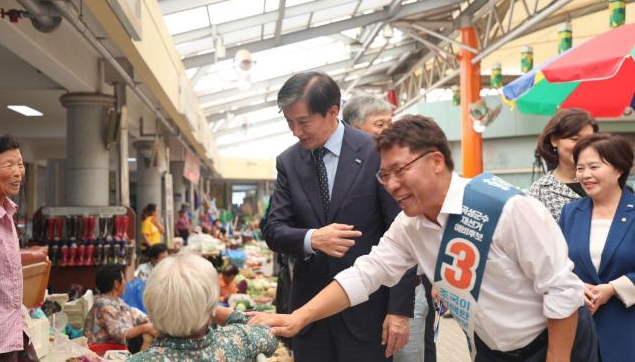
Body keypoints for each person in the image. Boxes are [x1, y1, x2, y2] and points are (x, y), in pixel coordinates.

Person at [252, 115, 598, 362]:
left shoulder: (507, 208)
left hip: (557, 346)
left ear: (436, 161)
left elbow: (562, 291)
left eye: (400, 171)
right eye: (384, 174)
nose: (390, 185)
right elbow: (365, 274)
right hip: (492, 350)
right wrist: (299, 318)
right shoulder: (410, 225)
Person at [264, 72, 416, 361]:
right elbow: (273, 229)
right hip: (309, 315)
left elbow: (403, 234)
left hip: (368, 313)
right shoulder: (288, 161)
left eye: (303, 121)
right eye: (290, 123)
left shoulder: (375, 152)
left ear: (333, 111)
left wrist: (398, 310)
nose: (296, 131)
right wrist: (312, 238)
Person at [343, 96, 433, 362]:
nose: (388, 132)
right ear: (354, 130)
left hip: (405, 293)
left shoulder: (397, 171)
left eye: (390, 123)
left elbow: (407, 238)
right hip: (368, 293)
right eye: (380, 124)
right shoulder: (356, 173)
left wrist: (400, 309)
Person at [559, 133, 635, 362]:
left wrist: (613, 288)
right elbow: (556, 264)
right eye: (580, 168)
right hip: (578, 331)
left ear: (619, 169)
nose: (585, 175)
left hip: (627, 332)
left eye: (594, 166)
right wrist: (575, 284)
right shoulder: (570, 212)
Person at [127, 253, 277, 362]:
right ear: (211, 308)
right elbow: (268, 331)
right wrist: (208, 307)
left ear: (151, 307)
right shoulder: (231, 343)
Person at [0, 134, 39, 361]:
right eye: (8, 165)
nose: (17, 171)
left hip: (15, 332)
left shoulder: (8, 213)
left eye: (20, 164)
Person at [529, 108, 598, 222]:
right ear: (554, 140)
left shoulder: (605, 180)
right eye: (575, 139)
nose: (583, 146)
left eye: (589, 140)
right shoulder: (541, 190)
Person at [84, 263, 157, 353]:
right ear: (116, 284)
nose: (125, 283)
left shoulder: (118, 302)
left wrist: (148, 323)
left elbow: (137, 316)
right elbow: (121, 333)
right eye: (123, 279)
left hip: (117, 348)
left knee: (148, 335)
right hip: (102, 351)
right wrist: (146, 328)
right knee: (147, 335)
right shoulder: (103, 305)